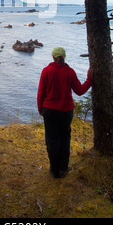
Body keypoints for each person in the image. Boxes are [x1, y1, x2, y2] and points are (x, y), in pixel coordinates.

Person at [37, 46, 93, 178]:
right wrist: (89, 80)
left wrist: (41, 109)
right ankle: (63, 168)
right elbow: (79, 91)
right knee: (65, 138)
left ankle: (54, 170)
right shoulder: (70, 72)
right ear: (64, 57)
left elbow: (41, 93)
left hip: (49, 111)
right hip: (66, 111)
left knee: (52, 140)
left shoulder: (46, 71)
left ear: (53, 57)